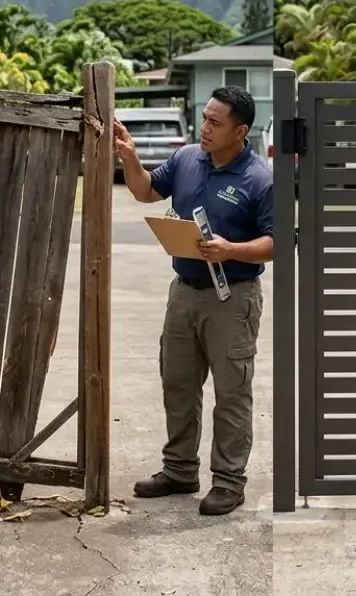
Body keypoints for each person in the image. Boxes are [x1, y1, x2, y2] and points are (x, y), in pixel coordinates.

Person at [114, 85, 273, 516]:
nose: (204, 128)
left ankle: (228, 482)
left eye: (215, 122)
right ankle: (180, 469)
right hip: (183, 293)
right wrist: (129, 157)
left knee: (231, 393)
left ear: (240, 131)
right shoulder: (187, 159)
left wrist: (231, 249)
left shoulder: (260, 179)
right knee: (178, 384)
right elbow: (146, 191)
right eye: (204, 118)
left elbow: (275, 242)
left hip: (232, 298)